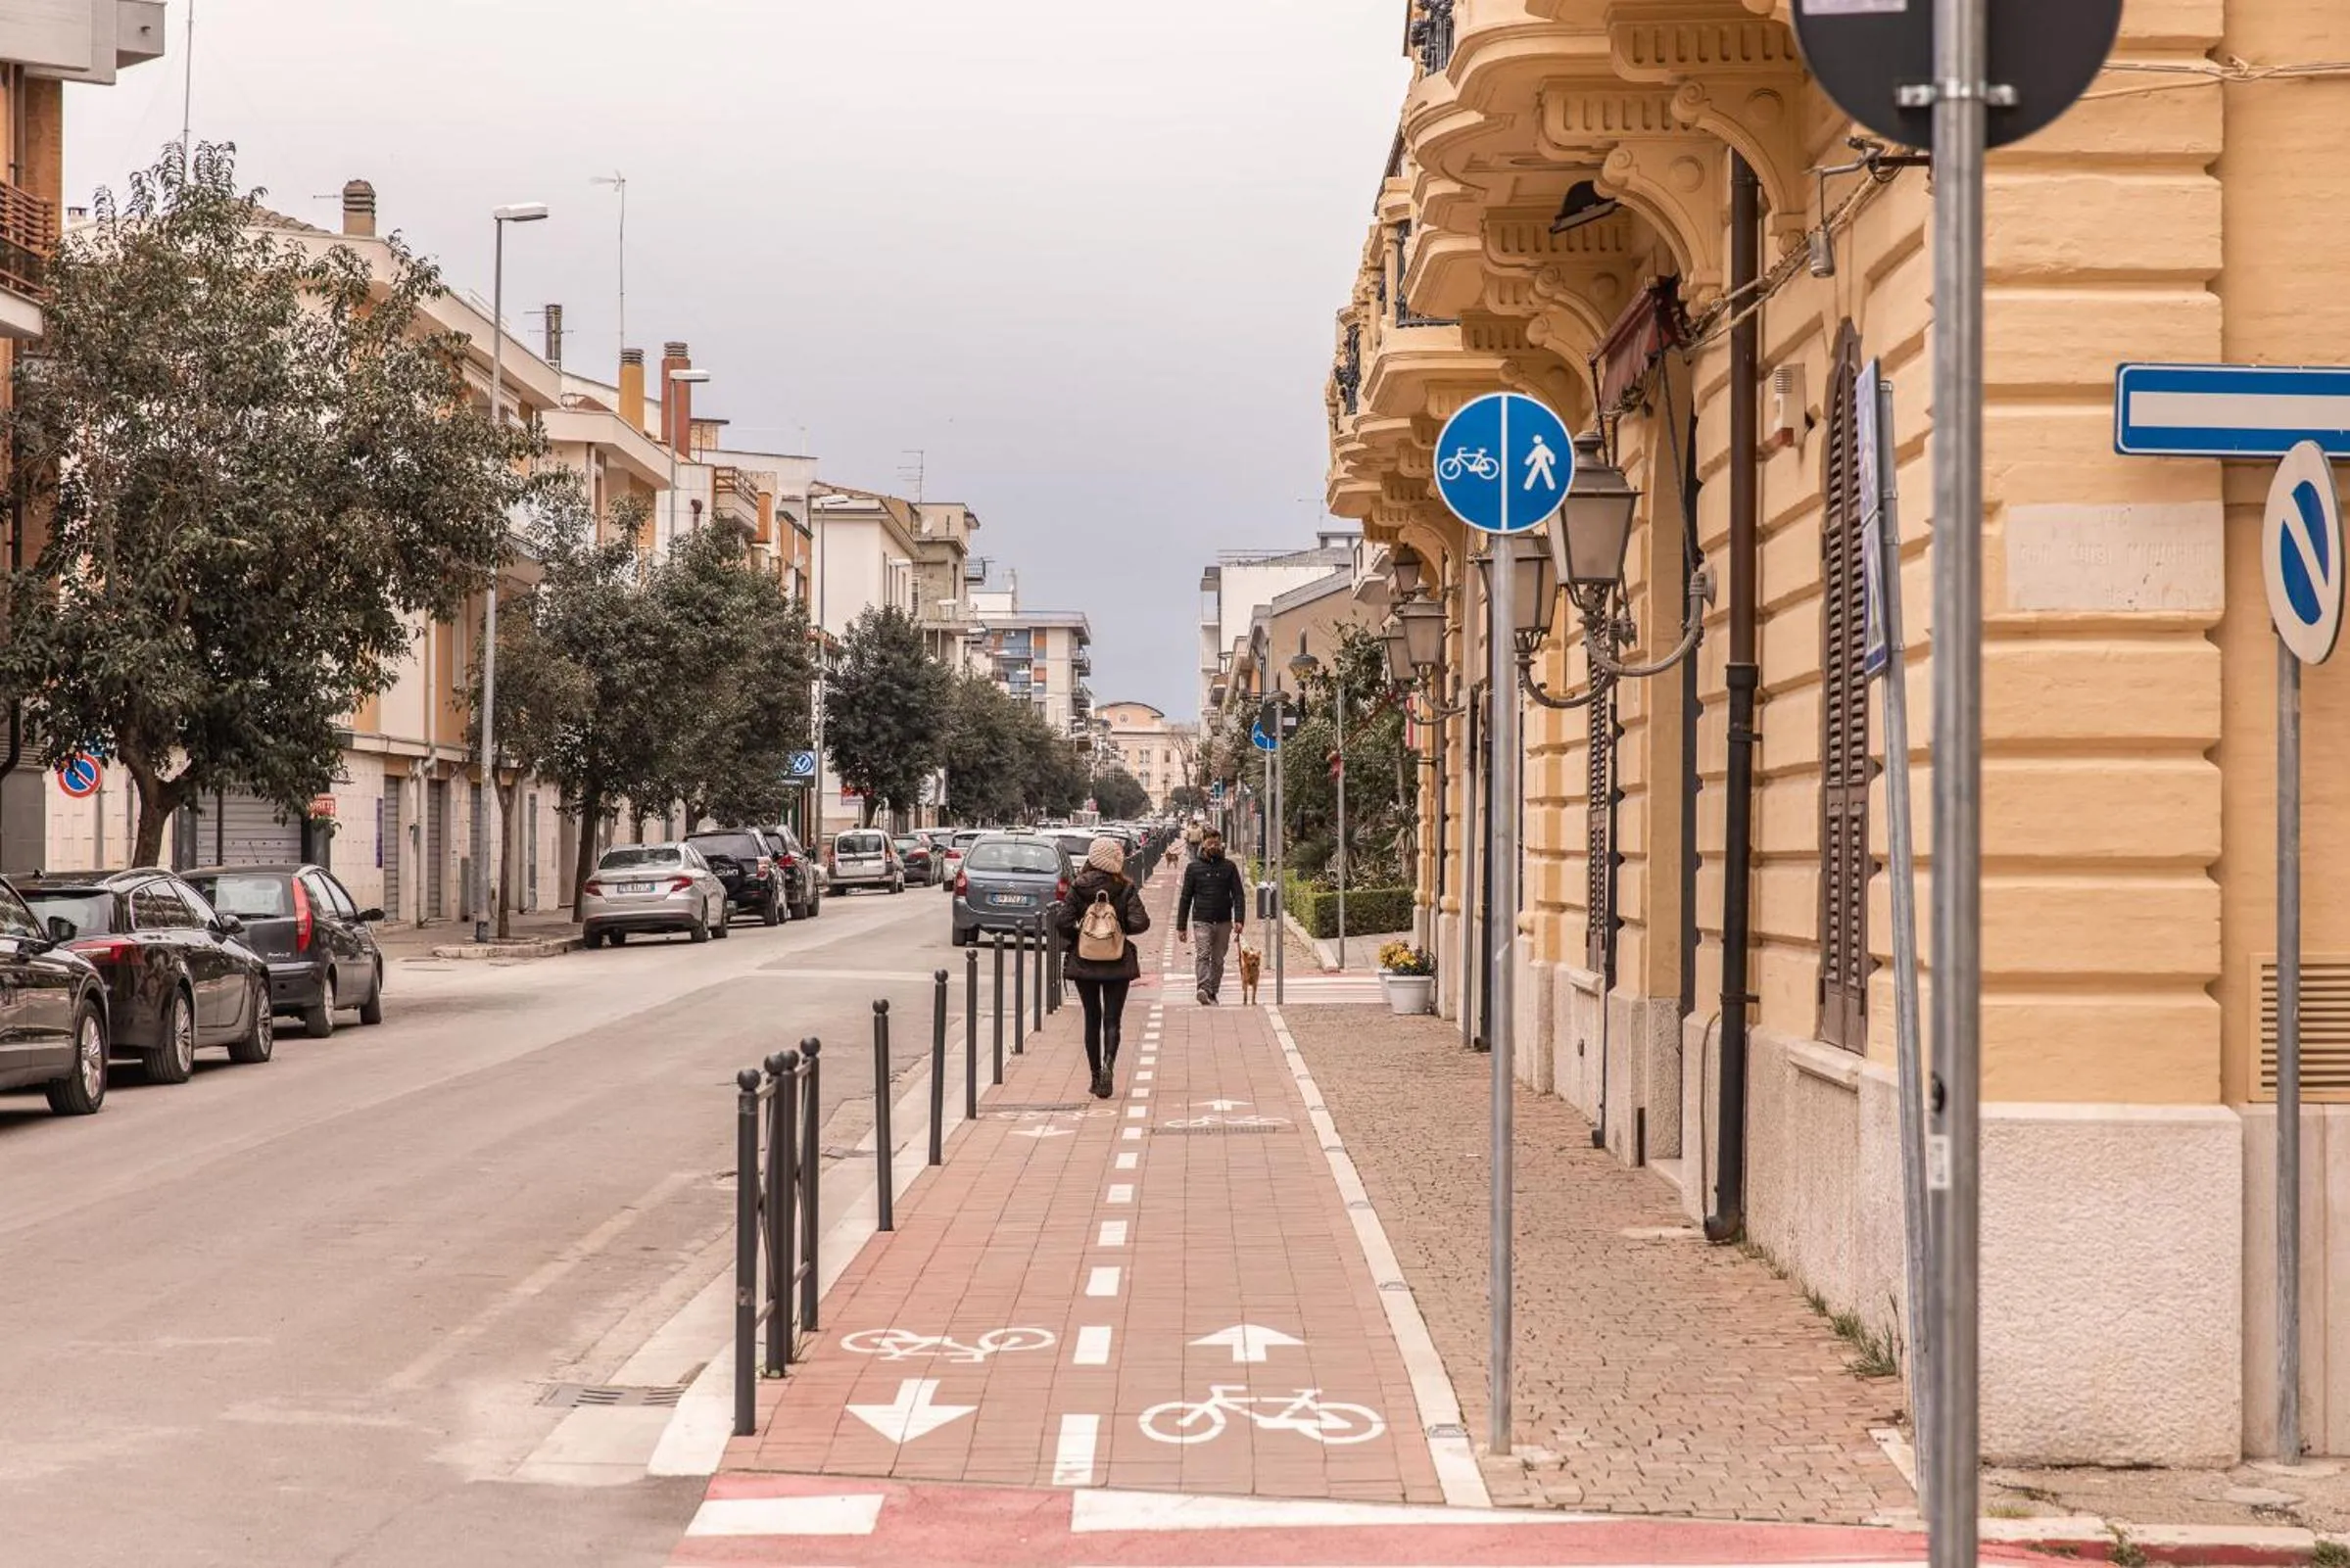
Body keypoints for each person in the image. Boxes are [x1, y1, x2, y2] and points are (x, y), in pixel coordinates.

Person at [1054, 835, 1151, 1099]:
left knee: (1091, 1018)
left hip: (1085, 960)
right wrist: (1118, 930)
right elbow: (1141, 922)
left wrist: (1080, 935)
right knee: (1112, 1020)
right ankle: (1109, 1063)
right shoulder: (1124, 888)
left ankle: (1096, 1077)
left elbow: (1061, 922)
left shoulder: (1079, 886)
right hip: (1117, 961)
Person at [1175, 826, 1247, 1006]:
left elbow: (1238, 894)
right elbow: (1185, 897)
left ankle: (1213, 990)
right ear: (1204, 843)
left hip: (1223, 920)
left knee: (1218, 959)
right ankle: (1203, 989)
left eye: (1217, 842)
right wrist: (1181, 926)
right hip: (1201, 919)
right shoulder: (1193, 868)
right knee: (1203, 954)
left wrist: (1239, 919)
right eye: (1210, 842)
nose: (1214, 845)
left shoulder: (1229, 867)